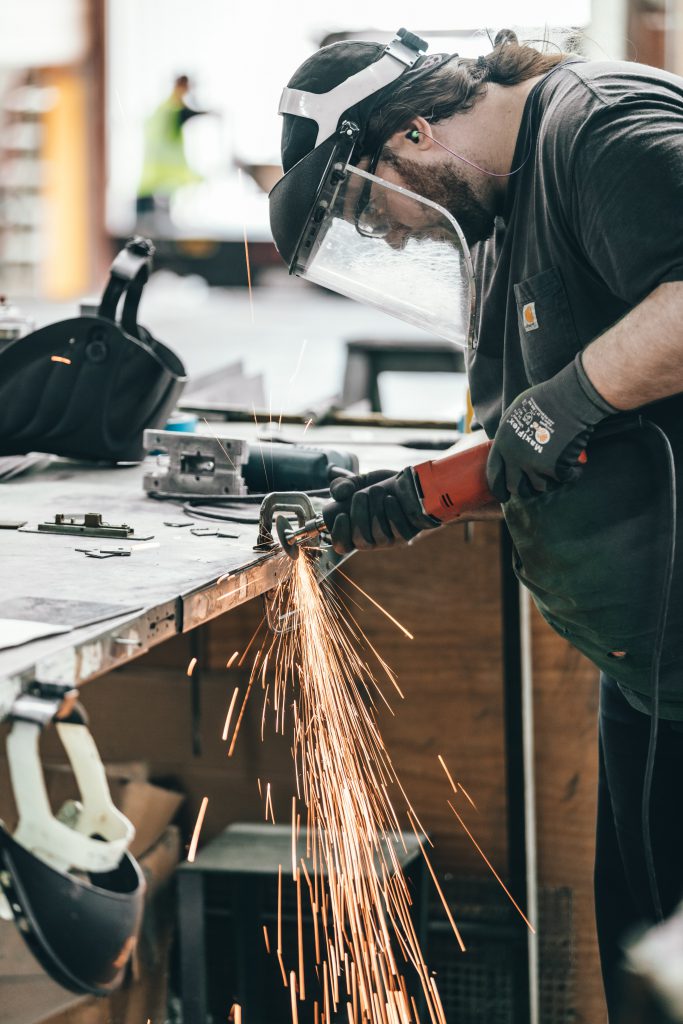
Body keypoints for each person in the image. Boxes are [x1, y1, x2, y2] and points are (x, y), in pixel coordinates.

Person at [269, 28, 683, 1022]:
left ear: (410, 132)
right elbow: (533, 434)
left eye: (379, 211)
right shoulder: (509, 214)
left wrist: (562, 404)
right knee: (646, 965)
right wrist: (417, 495)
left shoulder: (598, 126)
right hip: (648, 666)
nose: (401, 236)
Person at [136, 74, 206, 223]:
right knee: (153, 211)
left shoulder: (167, 107)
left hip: (157, 170)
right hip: (163, 167)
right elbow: (190, 112)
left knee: (156, 207)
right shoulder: (172, 108)